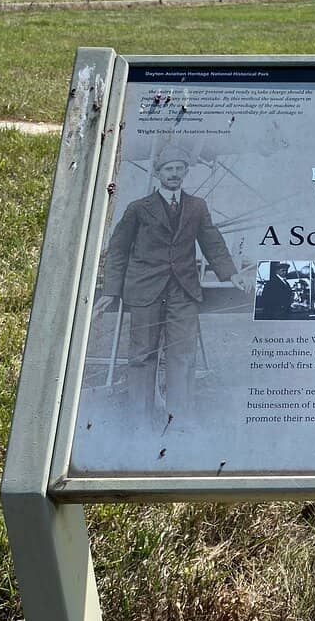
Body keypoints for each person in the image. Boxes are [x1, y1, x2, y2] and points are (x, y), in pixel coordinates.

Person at [95, 141, 246, 424]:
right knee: (142, 355)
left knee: (183, 356)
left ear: (186, 171)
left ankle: (180, 422)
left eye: (179, 168)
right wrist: (111, 290)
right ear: (158, 172)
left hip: (183, 292)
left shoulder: (197, 207)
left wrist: (231, 273)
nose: (174, 173)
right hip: (145, 291)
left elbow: (212, 242)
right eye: (168, 169)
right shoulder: (138, 209)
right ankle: (140, 421)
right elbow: (118, 249)